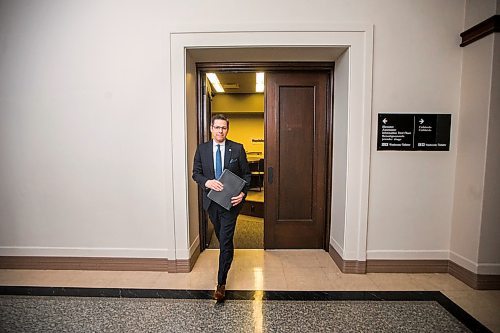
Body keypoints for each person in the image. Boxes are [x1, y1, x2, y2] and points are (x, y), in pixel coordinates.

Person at [192, 114, 251, 301]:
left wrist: (243, 194)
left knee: (224, 240)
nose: (220, 131)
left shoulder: (238, 149)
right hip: (211, 203)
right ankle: (228, 254)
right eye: (217, 127)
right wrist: (207, 182)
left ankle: (221, 284)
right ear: (211, 128)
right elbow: (196, 174)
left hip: (230, 204)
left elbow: (247, 176)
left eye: (224, 128)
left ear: (228, 129)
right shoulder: (202, 149)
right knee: (223, 238)